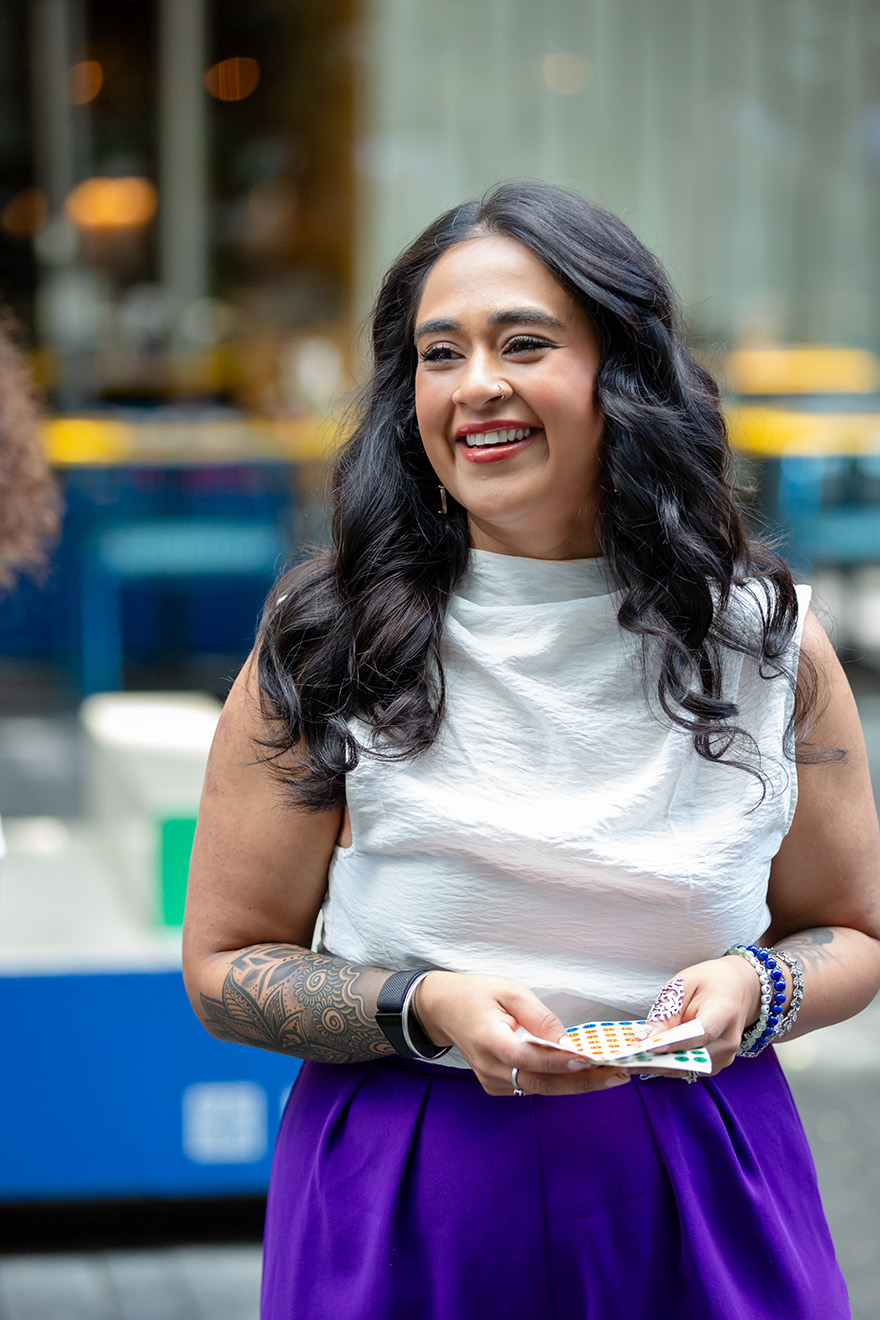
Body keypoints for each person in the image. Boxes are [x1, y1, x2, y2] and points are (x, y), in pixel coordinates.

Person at [182, 183, 880, 1319]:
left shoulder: (766, 645)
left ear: (626, 370)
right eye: (438, 353)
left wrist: (756, 987)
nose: (475, 386)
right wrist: (421, 1004)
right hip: (407, 1185)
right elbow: (223, 968)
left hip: (701, 1172)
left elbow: (852, 931)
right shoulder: (326, 641)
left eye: (523, 343)